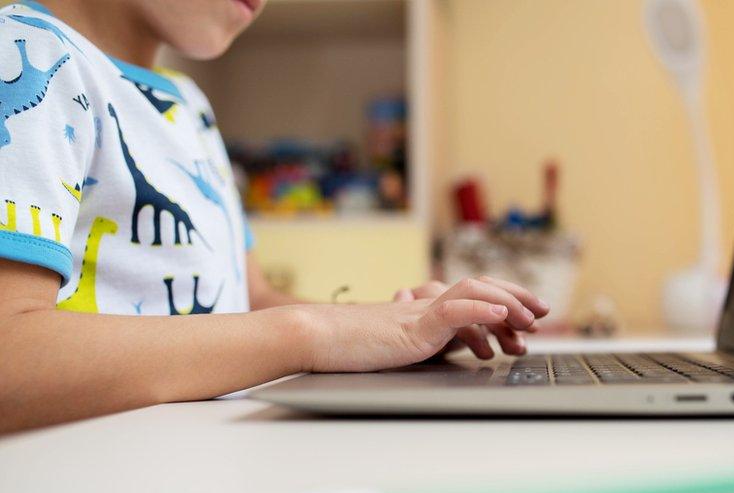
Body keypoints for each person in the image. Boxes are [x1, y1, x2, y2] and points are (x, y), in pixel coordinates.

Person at [0, 0, 548, 432]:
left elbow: (253, 299)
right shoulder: (24, 51)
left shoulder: (189, 105)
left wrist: (386, 330)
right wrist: (308, 333)